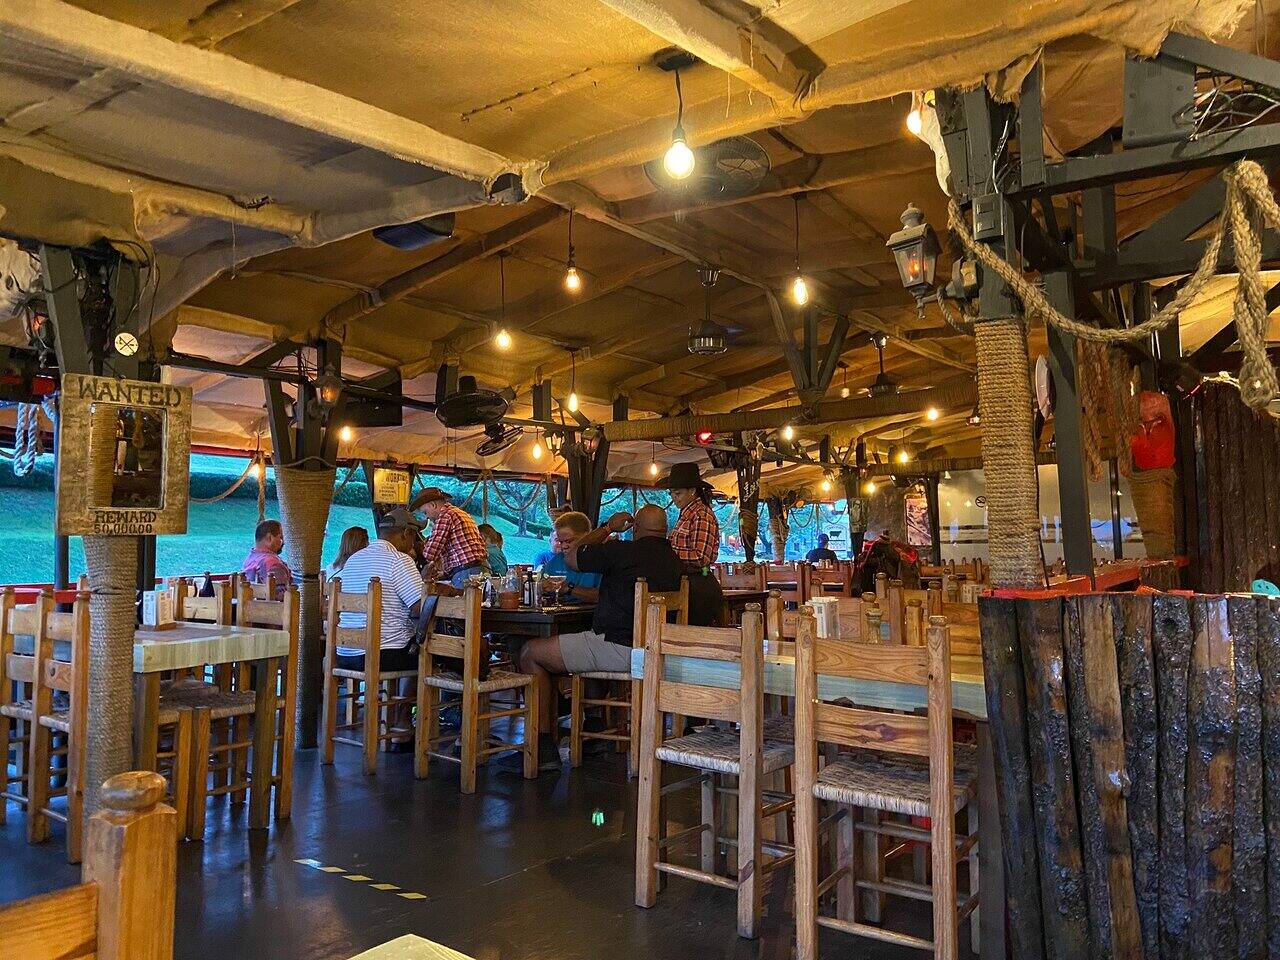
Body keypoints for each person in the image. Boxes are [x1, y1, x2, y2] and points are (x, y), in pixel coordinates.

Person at [519, 505, 684, 770]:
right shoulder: (675, 560)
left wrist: (607, 527)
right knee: (586, 641)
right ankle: (595, 727)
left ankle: (542, 748)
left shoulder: (622, 551)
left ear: (635, 529)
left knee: (530, 652)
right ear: (665, 529)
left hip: (619, 648)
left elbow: (573, 557)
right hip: (658, 652)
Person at [332, 509, 428, 748]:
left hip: (345, 653)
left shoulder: (353, 559)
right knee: (427, 654)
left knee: (405, 644)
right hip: (381, 654)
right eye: (415, 536)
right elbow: (420, 607)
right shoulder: (399, 560)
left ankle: (394, 720)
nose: (415, 543)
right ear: (406, 534)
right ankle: (402, 725)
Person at [662, 461, 724, 626]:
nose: (674, 497)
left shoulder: (701, 514)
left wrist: (667, 553)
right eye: (672, 493)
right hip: (689, 584)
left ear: (693, 491)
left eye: (678, 493)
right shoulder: (687, 514)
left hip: (699, 587)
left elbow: (701, 557)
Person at [410, 486, 490, 586]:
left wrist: (419, 548)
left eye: (425, 512)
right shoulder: (460, 513)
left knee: (465, 597)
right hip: (481, 568)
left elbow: (430, 553)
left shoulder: (445, 516)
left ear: (433, 505)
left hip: (467, 572)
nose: (427, 517)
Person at [534, 511, 601, 602]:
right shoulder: (557, 560)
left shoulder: (601, 560)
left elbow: (604, 597)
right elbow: (542, 586)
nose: (563, 546)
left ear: (586, 536)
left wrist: (568, 588)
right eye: (561, 542)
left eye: (569, 541)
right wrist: (542, 587)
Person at [241, 519, 292, 593]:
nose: (283, 542)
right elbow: (282, 596)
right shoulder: (273, 564)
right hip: (269, 601)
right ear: (270, 538)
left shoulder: (250, 559)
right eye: (281, 538)